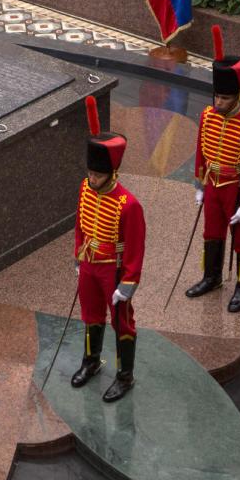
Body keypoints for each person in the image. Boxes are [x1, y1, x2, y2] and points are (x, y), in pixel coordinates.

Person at [185, 25, 240, 313]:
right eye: (216, 97)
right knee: (211, 233)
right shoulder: (207, 115)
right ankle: (212, 277)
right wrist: (198, 186)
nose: (218, 103)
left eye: (225, 98)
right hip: (212, 185)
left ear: (238, 97)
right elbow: (201, 152)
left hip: (236, 188)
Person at [71, 96, 146, 403]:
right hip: (89, 264)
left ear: (112, 172)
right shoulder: (85, 187)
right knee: (90, 315)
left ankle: (125, 375)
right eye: (90, 173)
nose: (92, 179)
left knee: (122, 323)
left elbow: (135, 249)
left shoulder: (129, 205)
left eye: (98, 175)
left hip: (113, 270)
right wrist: (78, 256)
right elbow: (80, 225)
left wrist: (127, 285)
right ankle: (91, 360)